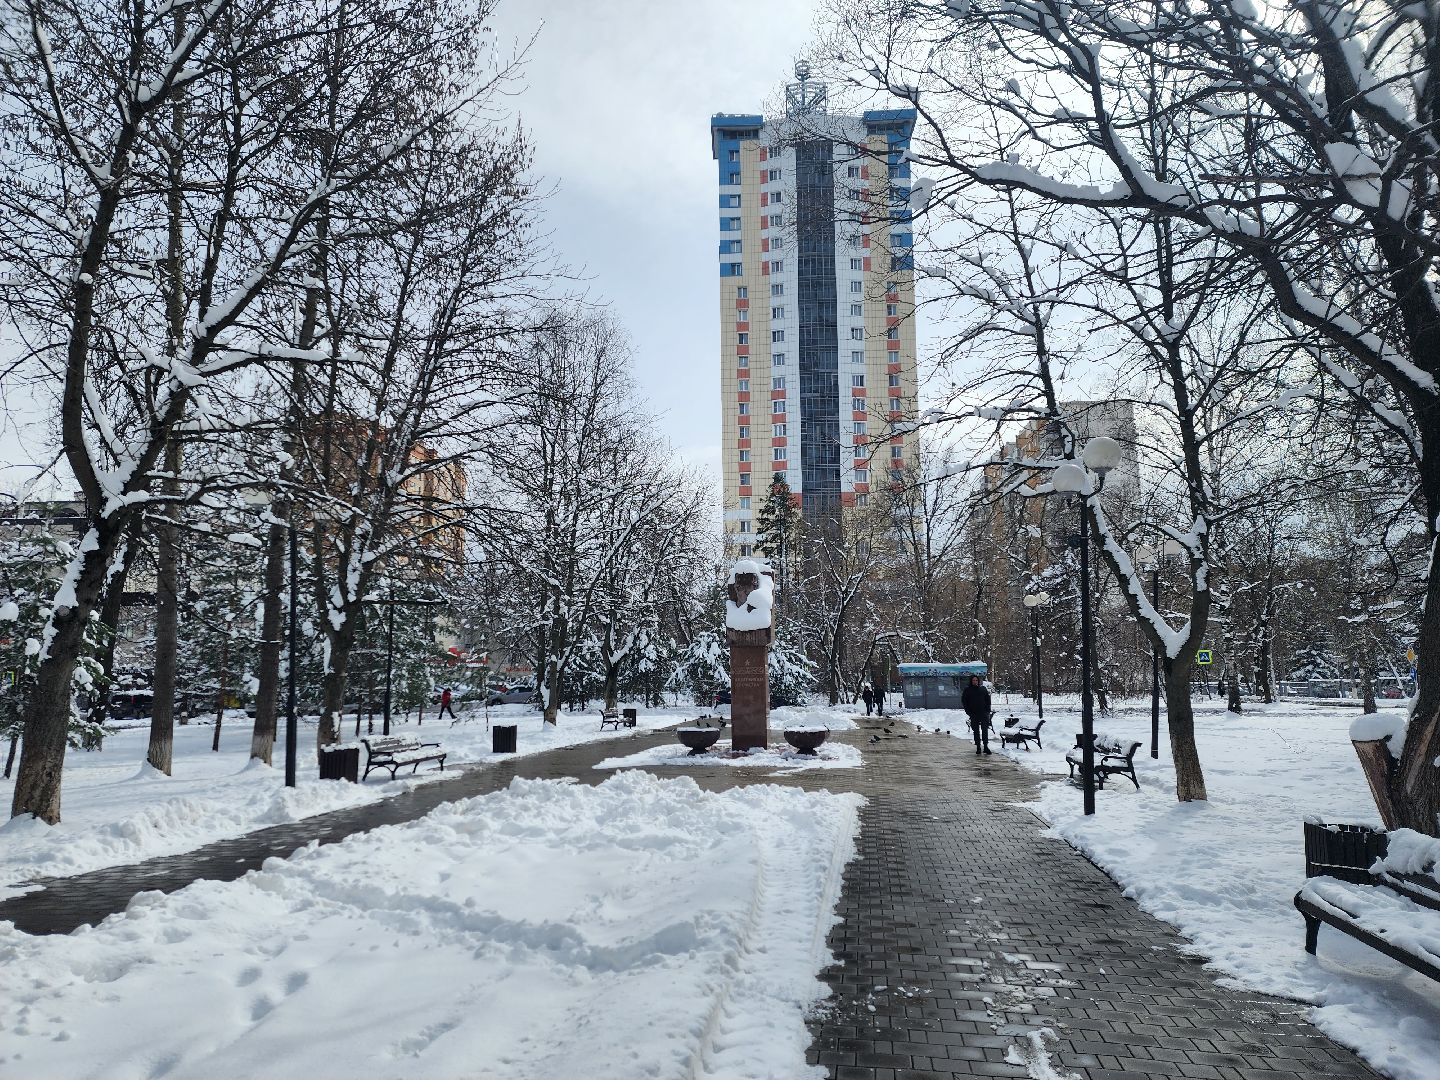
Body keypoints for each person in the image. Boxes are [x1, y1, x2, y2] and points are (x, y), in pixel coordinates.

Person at [960, 674, 992, 755]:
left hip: (983, 713)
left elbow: (988, 700)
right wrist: (968, 712)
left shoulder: (983, 689)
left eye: (976, 680)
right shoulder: (967, 690)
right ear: (971, 681)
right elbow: (964, 701)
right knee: (976, 731)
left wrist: (988, 710)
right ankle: (978, 747)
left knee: (985, 730)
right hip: (974, 714)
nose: (975, 682)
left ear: (978, 681)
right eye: (973, 680)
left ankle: (985, 746)